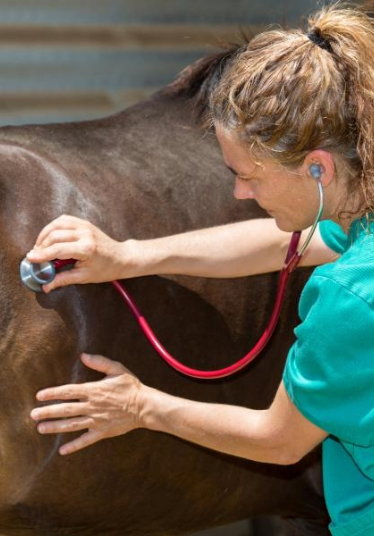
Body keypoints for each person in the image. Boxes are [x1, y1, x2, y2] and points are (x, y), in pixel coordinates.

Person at [28, 4, 374, 535]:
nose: (239, 194)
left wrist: (140, 406)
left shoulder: (350, 298)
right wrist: (130, 255)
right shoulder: (359, 215)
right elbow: (287, 242)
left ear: (318, 166)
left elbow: (278, 440)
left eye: (249, 177)